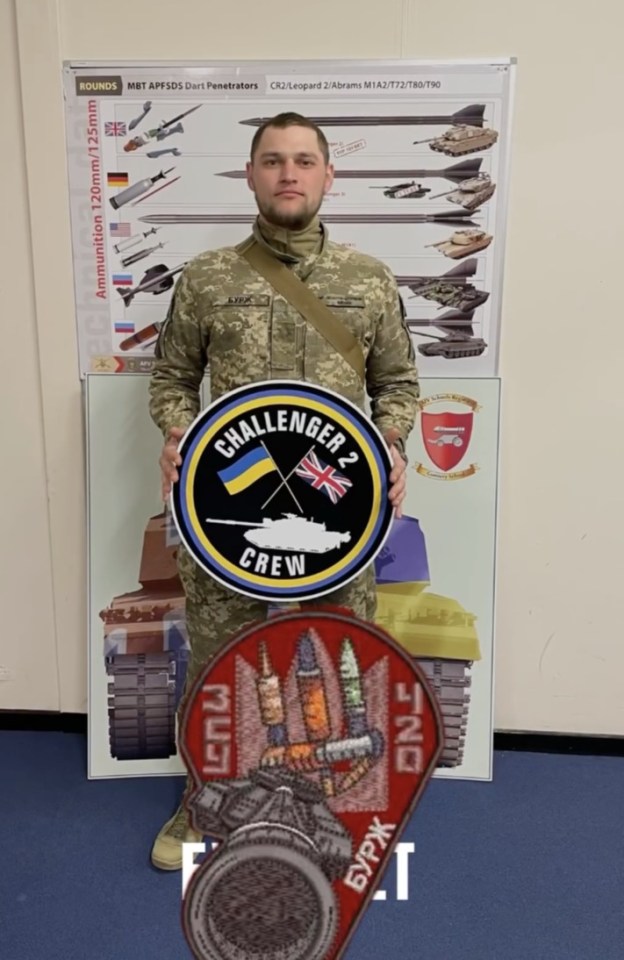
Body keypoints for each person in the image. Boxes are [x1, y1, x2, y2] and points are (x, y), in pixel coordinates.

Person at [148, 111, 420, 870]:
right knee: (220, 657)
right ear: (251, 175)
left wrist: (392, 443)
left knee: (340, 654)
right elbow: (172, 379)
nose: (289, 173)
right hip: (230, 511)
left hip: (338, 512)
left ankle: (332, 803)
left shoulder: (367, 280)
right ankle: (209, 796)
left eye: (304, 160)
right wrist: (177, 434)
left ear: (330, 175)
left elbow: (396, 385)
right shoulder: (207, 279)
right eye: (273, 160)